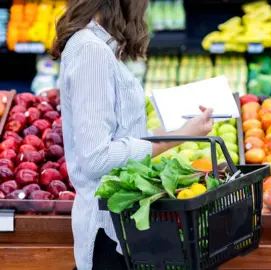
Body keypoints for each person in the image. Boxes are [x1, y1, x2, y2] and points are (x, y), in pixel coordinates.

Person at [50, 1, 213, 269]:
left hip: (121, 223)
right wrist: (174, 139)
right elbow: (97, 158)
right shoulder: (91, 51)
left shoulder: (97, 47)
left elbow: (121, 135)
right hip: (106, 229)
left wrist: (181, 130)